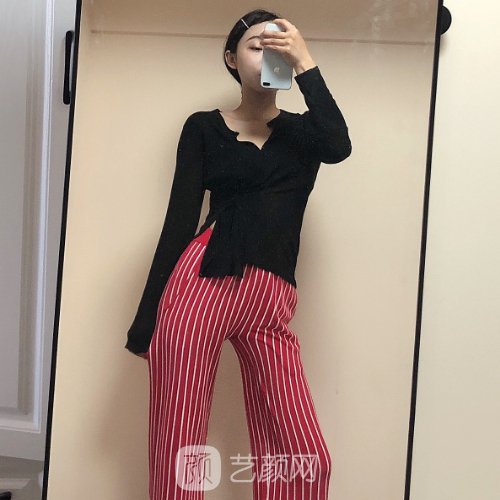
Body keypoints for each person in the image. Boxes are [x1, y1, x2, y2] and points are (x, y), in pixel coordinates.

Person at [125, 9, 352, 500]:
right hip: (200, 283)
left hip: (270, 297)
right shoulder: (203, 127)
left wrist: (305, 63)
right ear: (231, 58)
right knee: (180, 445)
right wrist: (146, 321)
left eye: (279, 45)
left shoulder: (305, 134)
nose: (269, 53)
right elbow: (178, 222)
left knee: (304, 457)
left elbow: (339, 146)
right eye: (256, 46)